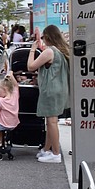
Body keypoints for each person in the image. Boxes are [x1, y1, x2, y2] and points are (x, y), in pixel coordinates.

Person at [27, 25, 70, 164]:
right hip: (60, 88)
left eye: (43, 37)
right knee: (51, 121)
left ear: (48, 37)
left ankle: (56, 153)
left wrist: (33, 49)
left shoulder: (49, 52)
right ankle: (47, 149)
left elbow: (31, 66)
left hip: (51, 89)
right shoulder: (62, 50)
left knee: (51, 122)